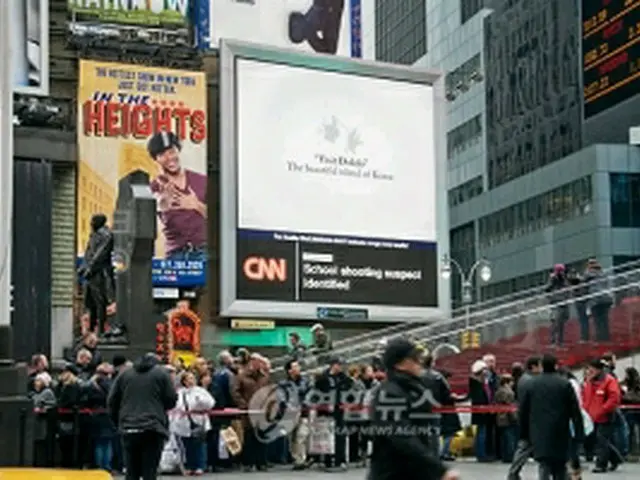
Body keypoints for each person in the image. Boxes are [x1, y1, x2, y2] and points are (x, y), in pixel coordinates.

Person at [368, 337, 459, 480]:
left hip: (415, 471)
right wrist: (439, 469)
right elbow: (404, 438)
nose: (420, 362)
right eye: (415, 358)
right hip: (393, 473)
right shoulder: (389, 393)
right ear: (400, 363)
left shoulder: (414, 387)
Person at [108, 353, 178, 480]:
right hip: (153, 427)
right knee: (150, 471)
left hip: (128, 426)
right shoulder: (162, 374)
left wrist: (119, 421)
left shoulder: (124, 374)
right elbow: (171, 399)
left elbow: (112, 401)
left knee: (131, 470)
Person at [518, 354, 584, 480]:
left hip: (539, 431)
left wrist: (524, 433)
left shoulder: (532, 384)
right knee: (560, 465)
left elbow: (524, 410)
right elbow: (574, 411)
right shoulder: (564, 383)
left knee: (544, 464)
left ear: (542, 366)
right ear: (555, 365)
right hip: (560, 430)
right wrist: (579, 433)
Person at [148, 131, 207, 262]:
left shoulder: (202, 181)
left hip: (204, 253)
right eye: (162, 154)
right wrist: (163, 204)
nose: (169, 158)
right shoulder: (154, 187)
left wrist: (197, 205)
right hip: (176, 255)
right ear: (156, 159)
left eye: (171, 151)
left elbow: (220, 218)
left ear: (178, 151)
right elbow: (154, 213)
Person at [582, 358, 622, 473]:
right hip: (591, 417)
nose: (589, 371)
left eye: (591, 369)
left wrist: (602, 410)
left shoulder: (609, 381)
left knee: (601, 440)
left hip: (606, 416)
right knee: (601, 440)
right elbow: (586, 397)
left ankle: (601, 464)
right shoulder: (589, 381)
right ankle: (615, 459)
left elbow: (614, 398)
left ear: (598, 370)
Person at [78, 213, 115, 335]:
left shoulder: (106, 235)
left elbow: (100, 254)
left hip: (100, 273)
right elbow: (88, 253)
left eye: (93, 221)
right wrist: (83, 267)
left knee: (101, 303)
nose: (90, 223)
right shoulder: (93, 235)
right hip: (91, 274)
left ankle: (101, 332)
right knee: (90, 303)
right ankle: (91, 331)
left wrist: (90, 268)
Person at [174, 371, 215, 475]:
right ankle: (190, 466)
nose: (191, 381)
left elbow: (211, 403)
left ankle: (200, 466)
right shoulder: (180, 392)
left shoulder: (200, 391)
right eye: (189, 379)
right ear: (184, 381)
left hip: (198, 420)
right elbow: (177, 406)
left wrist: (201, 402)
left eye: (192, 378)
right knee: (187, 445)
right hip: (184, 421)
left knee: (199, 444)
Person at [508, 355, 542, 480]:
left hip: (526, 418)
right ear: (533, 367)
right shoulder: (531, 381)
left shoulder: (523, 379)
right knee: (524, 448)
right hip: (531, 420)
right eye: (540, 365)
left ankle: (513, 473)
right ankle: (513, 473)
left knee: (524, 448)